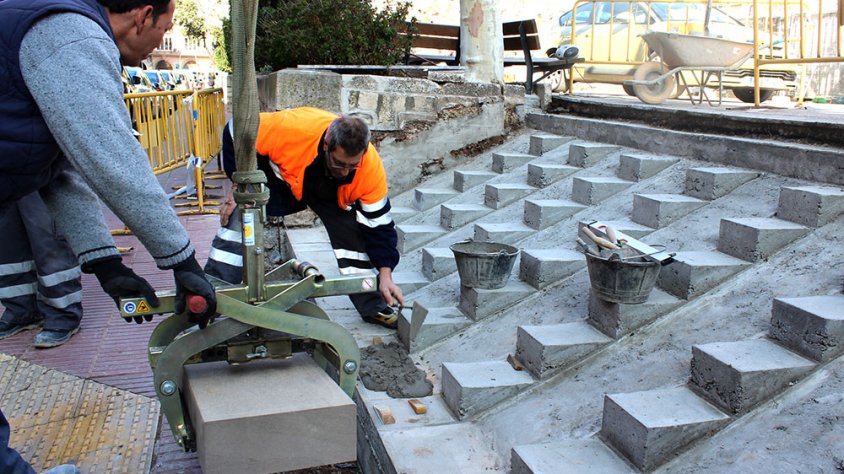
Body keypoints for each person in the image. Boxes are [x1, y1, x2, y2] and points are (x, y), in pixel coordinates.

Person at [0, 0, 218, 470]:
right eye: (165, 28)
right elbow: (113, 160)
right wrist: (182, 260)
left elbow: (60, 169)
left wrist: (105, 263)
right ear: (141, 16)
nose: (163, 40)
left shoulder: (59, 31)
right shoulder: (73, 35)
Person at [205, 107, 405, 329]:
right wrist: (239, 182)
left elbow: (380, 227)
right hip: (284, 181)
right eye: (339, 163)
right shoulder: (293, 129)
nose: (345, 171)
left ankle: (371, 305)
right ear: (327, 145)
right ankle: (211, 295)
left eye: (352, 165)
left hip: (332, 195)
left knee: (353, 239)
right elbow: (236, 128)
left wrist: (386, 275)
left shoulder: (369, 169)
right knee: (242, 215)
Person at [0, 193, 83, 348]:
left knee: (47, 237)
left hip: (38, 172)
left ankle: (63, 315)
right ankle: (22, 310)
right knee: (7, 241)